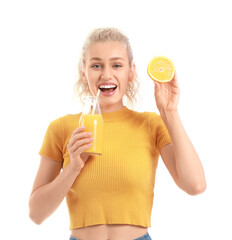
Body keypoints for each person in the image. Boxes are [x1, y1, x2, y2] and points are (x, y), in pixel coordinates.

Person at [29, 27, 207, 240]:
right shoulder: (61, 128)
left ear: (130, 72)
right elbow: (36, 214)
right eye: (96, 65)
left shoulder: (151, 124)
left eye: (116, 65)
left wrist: (169, 111)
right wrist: (73, 167)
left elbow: (195, 185)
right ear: (83, 72)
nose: (106, 74)